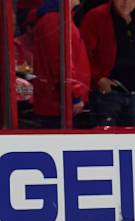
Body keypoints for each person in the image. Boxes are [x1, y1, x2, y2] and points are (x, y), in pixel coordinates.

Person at [80, 0, 135, 127]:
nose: (126, 3)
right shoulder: (97, 17)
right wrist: (98, 79)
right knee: (105, 141)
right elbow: (83, 53)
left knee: (129, 142)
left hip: (134, 93)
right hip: (107, 95)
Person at [31, 0, 91, 128]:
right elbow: (61, 64)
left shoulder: (61, 18)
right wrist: (74, 96)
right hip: (58, 107)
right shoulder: (54, 20)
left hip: (61, 105)